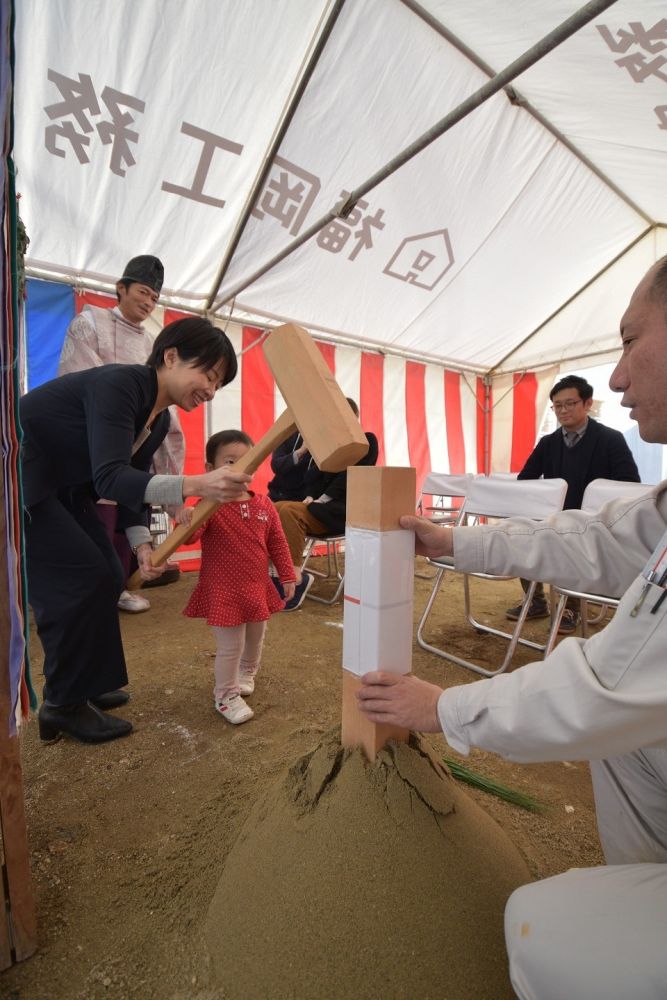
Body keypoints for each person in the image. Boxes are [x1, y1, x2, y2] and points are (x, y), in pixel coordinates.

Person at [357, 256, 667, 1000]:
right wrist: (456, 541)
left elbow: (602, 687)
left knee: (540, 924)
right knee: (627, 754)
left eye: (630, 342)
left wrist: (441, 708)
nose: (617, 377)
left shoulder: (610, 442)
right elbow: (592, 537)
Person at [20, 317, 251, 745]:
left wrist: (142, 547)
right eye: (209, 374)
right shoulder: (121, 384)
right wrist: (197, 484)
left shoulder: (158, 419)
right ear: (170, 356)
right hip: (22, 479)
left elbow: (131, 484)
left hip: (65, 488)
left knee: (109, 572)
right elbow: (109, 478)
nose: (210, 390)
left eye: (219, 384)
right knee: (80, 576)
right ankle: (61, 705)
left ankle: (83, 684)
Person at [58, 254, 186, 614]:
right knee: (86, 522)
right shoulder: (89, 323)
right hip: (89, 440)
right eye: (143, 292)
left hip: (135, 444)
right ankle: (84, 594)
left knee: (124, 517)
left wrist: (177, 497)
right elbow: (81, 378)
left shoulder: (154, 346)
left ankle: (117, 587)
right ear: (121, 288)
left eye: (155, 298)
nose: (148, 302)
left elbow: (164, 408)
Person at [506, 373, 639, 633]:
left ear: (587, 403)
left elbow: (628, 483)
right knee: (521, 532)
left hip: (593, 521)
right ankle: (535, 601)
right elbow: (526, 480)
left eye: (570, 403)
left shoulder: (610, 439)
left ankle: (571, 606)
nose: (563, 410)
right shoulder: (548, 443)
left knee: (576, 543)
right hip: (553, 517)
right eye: (557, 405)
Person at [178, 430, 295, 725]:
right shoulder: (209, 504)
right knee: (231, 646)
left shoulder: (265, 504)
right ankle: (226, 695)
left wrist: (288, 576)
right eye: (230, 461)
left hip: (257, 587)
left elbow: (278, 543)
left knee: (256, 638)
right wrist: (185, 519)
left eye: (247, 461)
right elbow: (190, 538)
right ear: (210, 470)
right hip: (223, 590)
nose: (240, 469)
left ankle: (247, 673)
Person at [274, 399, 378, 611]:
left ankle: (295, 580)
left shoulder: (366, 441)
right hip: (318, 507)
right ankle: (278, 577)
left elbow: (350, 476)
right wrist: (312, 494)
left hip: (342, 512)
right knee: (275, 508)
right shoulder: (330, 445)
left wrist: (322, 498)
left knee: (289, 512)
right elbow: (314, 477)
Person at [267, 431, 310, 502]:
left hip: (303, 498)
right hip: (277, 493)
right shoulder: (288, 433)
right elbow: (276, 464)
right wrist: (300, 452)